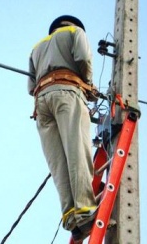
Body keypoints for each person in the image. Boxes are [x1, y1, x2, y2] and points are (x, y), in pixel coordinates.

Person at [28, 15, 97, 242]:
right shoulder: (76, 33)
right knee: (76, 151)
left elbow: (30, 87)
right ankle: (85, 211)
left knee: (58, 163)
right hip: (67, 92)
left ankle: (70, 217)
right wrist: (88, 84)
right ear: (73, 25)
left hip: (41, 103)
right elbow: (84, 58)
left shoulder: (37, 48)